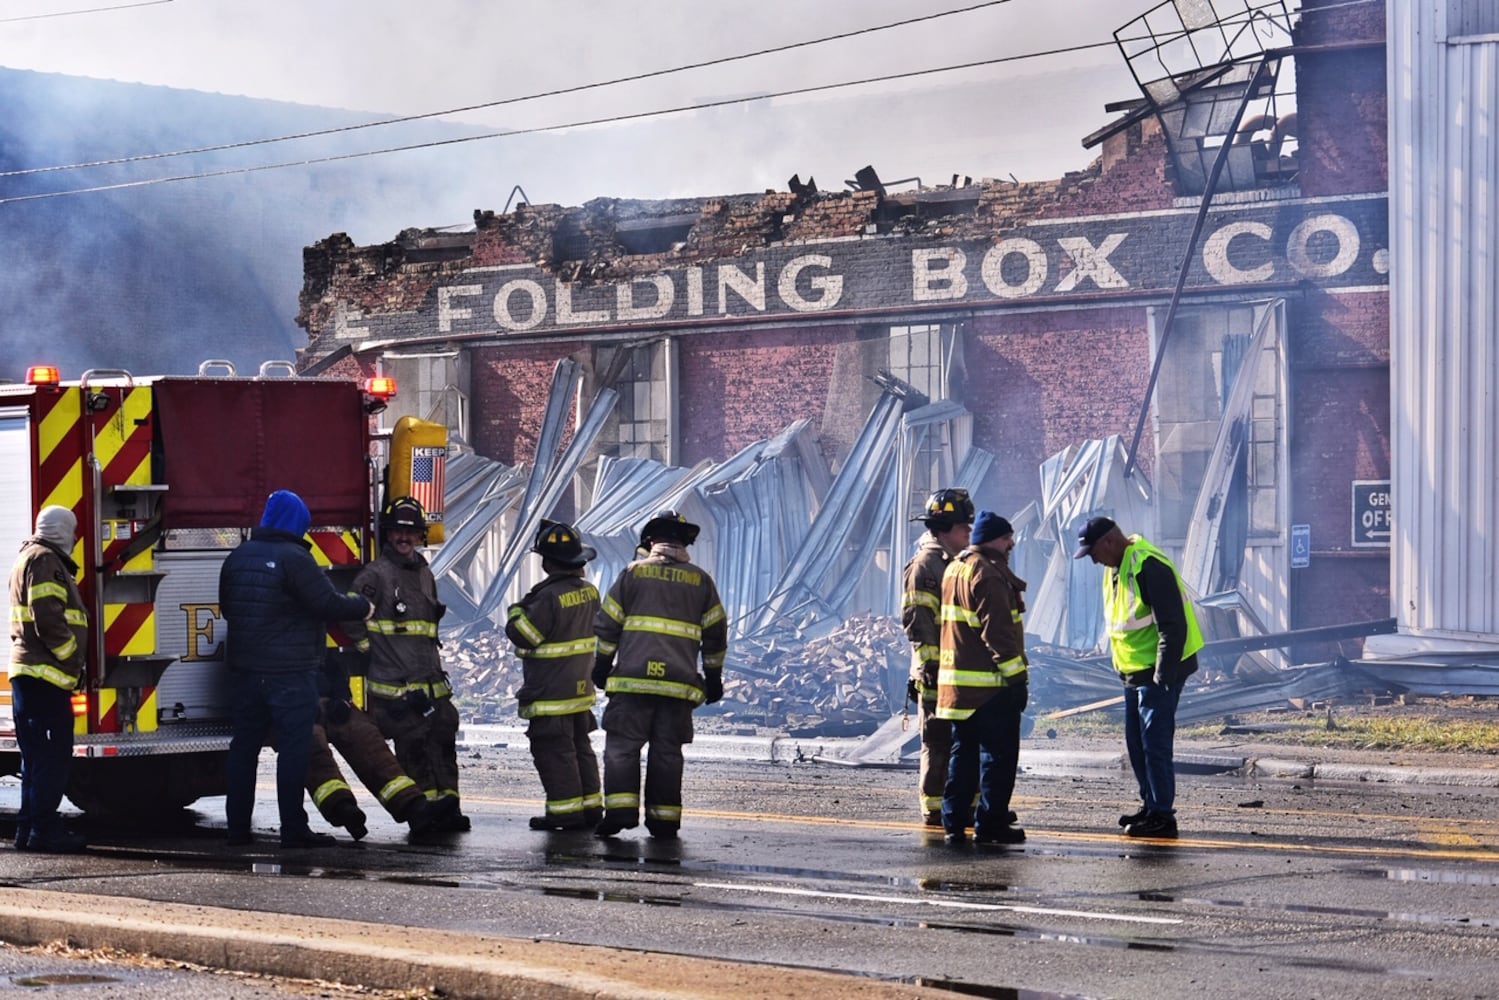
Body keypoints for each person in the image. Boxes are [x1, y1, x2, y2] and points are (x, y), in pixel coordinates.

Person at [220, 490, 373, 848]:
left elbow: (227, 607)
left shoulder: (237, 557)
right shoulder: (295, 559)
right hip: (289, 674)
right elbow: (325, 603)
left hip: (244, 671)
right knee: (294, 750)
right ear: (297, 523)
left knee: (243, 750)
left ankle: (237, 829)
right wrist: (362, 607)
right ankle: (293, 829)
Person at [592, 510, 727, 840]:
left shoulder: (632, 574)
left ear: (651, 542)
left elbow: (608, 625)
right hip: (678, 686)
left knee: (622, 749)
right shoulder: (701, 580)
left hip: (632, 684)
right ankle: (664, 821)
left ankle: (621, 813)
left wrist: (601, 666)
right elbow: (715, 634)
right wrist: (713, 678)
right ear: (683, 543)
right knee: (667, 753)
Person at [1074, 516, 1203, 839]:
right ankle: (1150, 805)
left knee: (1155, 744)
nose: (1093, 560)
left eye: (1093, 552)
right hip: (1134, 673)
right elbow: (1122, 625)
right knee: (1137, 743)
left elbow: (1172, 626)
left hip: (1158, 672)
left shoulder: (1148, 565)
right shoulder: (1115, 569)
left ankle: (1162, 814)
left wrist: (1163, 673)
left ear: (1110, 542)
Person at [346, 497, 466, 832]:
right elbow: (353, 617)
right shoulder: (375, 576)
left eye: (411, 532)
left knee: (443, 739)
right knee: (414, 747)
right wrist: (373, 650)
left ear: (419, 536)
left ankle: (449, 808)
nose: (404, 537)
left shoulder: (425, 573)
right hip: (396, 686)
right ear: (387, 534)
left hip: (430, 682)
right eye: (398, 531)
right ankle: (424, 814)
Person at [936, 510, 1029, 846]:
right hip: (989, 689)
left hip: (959, 689)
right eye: (1006, 538)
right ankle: (991, 824)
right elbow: (999, 634)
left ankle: (954, 821)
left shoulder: (955, 568)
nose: (1011, 544)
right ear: (992, 539)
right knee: (997, 759)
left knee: (962, 757)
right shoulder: (986, 573)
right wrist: (1017, 680)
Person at [505, 520, 603, 831]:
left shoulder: (547, 598)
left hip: (550, 693)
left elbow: (525, 635)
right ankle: (590, 808)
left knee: (555, 752)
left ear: (547, 562)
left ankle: (565, 813)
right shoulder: (589, 592)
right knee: (580, 749)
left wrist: (516, 611)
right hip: (579, 690)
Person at [301, 649, 453, 840]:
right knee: (310, 741)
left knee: (364, 732)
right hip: (287, 701)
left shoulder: (310, 633)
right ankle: (341, 807)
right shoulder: (267, 632)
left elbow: (332, 667)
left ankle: (413, 806)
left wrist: (342, 698)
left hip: (323, 700)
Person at [8, 505, 88, 853]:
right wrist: (73, 661)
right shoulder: (45, 562)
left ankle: (28, 829)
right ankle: (44, 830)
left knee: (36, 758)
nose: (74, 537)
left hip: (31, 679)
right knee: (52, 757)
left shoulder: (31, 557)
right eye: (71, 530)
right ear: (59, 531)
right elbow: (49, 620)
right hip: (45, 680)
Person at [901, 487, 975, 827]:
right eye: (964, 528)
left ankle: (965, 806)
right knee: (937, 739)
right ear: (944, 529)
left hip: (956, 669)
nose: (969, 534)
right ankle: (933, 807)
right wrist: (930, 664)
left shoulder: (954, 563)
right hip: (934, 671)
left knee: (963, 741)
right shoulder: (925, 566)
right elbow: (917, 620)